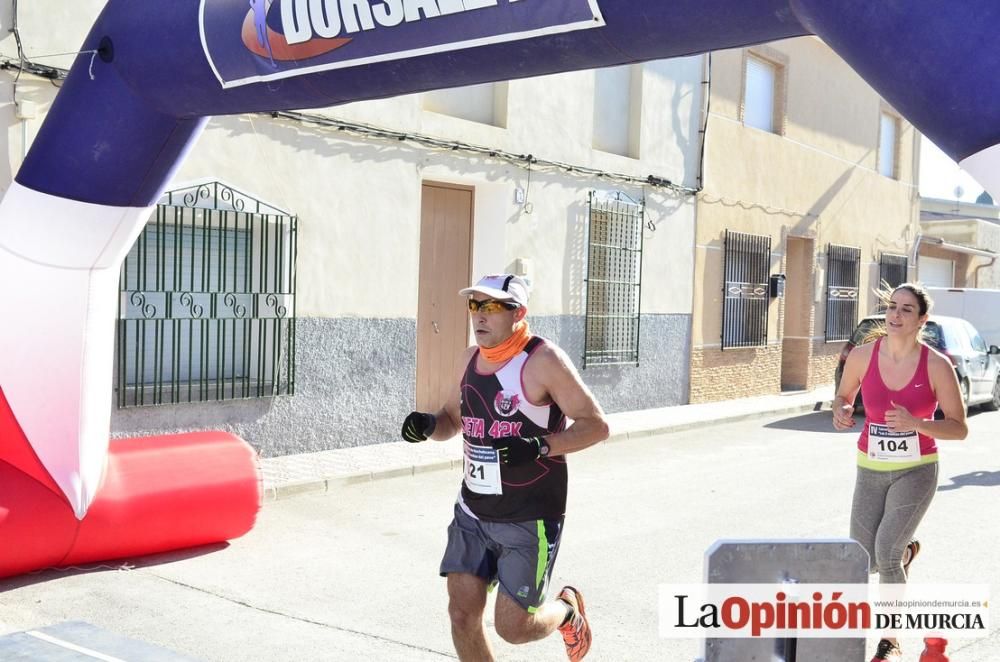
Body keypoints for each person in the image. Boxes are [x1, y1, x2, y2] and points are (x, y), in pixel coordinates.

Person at [402, 274, 609, 662]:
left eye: (492, 306)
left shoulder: (543, 361)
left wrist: (538, 445)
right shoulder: (468, 359)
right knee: (462, 616)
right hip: (473, 511)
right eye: (475, 305)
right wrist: (429, 425)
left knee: (513, 629)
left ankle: (567, 610)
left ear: (519, 313)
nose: (479, 316)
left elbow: (597, 426)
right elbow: (452, 418)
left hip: (529, 517)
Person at [832, 283, 968, 661]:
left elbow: (959, 427)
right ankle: (905, 554)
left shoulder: (937, 365)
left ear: (921, 319)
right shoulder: (862, 356)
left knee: (886, 554)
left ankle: (890, 640)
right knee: (866, 558)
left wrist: (917, 423)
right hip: (870, 467)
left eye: (907, 309)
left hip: (917, 470)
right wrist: (841, 410)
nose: (895, 314)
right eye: (892, 307)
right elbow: (843, 397)